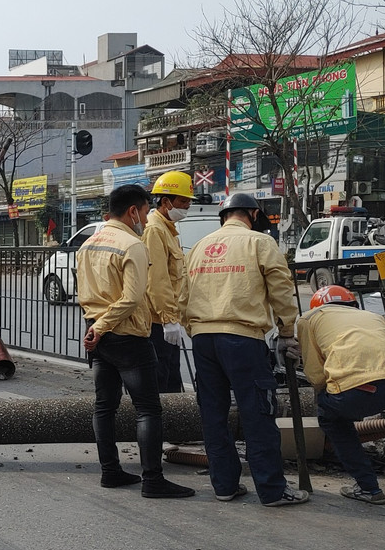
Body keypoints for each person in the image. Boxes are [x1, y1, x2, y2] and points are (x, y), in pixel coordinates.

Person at [183, 192, 308, 507]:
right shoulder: (260, 243)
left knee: (213, 415)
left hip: (203, 339)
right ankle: (272, 490)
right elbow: (281, 290)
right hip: (242, 338)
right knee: (257, 414)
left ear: (224, 216)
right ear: (253, 214)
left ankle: (224, 486)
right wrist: (287, 332)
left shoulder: (199, 248)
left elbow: (181, 296)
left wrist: (195, 329)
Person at [77, 183, 195, 499]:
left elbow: (85, 296)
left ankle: (110, 471)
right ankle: (153, 479)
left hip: (98, 336)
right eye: (144, 211)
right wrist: (103, 327)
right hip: (127, 335)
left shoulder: (87, 245)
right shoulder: (132, 245)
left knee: (104, 407)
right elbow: (131, 298)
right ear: (133, 211)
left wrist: (96, 327)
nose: (146, 216)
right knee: (148, 409)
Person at [295, 285, 385, 502]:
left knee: (332, 419)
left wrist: (325, 393)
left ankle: (368, 488)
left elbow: (315, 372)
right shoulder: (371, 315)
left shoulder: (309, 318)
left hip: (358, 388)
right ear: (352, 303)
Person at [144, 170, 194, 393]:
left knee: (172, 380)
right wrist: (167, 319)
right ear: (166, 201)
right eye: (183, 202)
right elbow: (157, 279)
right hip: (157, 322)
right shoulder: (155, 229)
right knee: (161, 384)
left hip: (167, 320)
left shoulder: (168, 230)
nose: (187, 207)